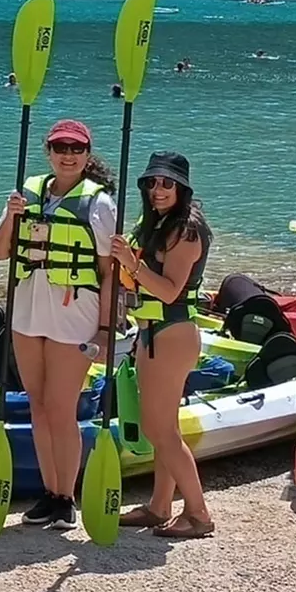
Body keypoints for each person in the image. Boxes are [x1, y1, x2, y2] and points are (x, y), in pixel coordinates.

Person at [0, 118, 116, 531]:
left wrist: (106, 329)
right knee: (39, 407)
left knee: (61, 408)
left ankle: (67, 497)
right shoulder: (27, 194)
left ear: (86, 155)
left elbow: (109, 272)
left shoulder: (98, 205)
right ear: (48, 151)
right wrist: (10, 215)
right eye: (60, 147)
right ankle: (49, 492)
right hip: (27, 313)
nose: (68, 155)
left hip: (74, 313)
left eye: (76, 149)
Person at [110, 151, 214, 539]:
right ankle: (159, 506)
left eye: (167, 183)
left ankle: (199, 513)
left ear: (182, 188)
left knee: (159, 431)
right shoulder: (156, 224)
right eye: (151, 182)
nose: (158, 189)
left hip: (171, 335)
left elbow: (170, 292)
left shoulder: (185, 230)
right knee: (165, 427)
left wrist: (131, 263)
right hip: (151, 333)